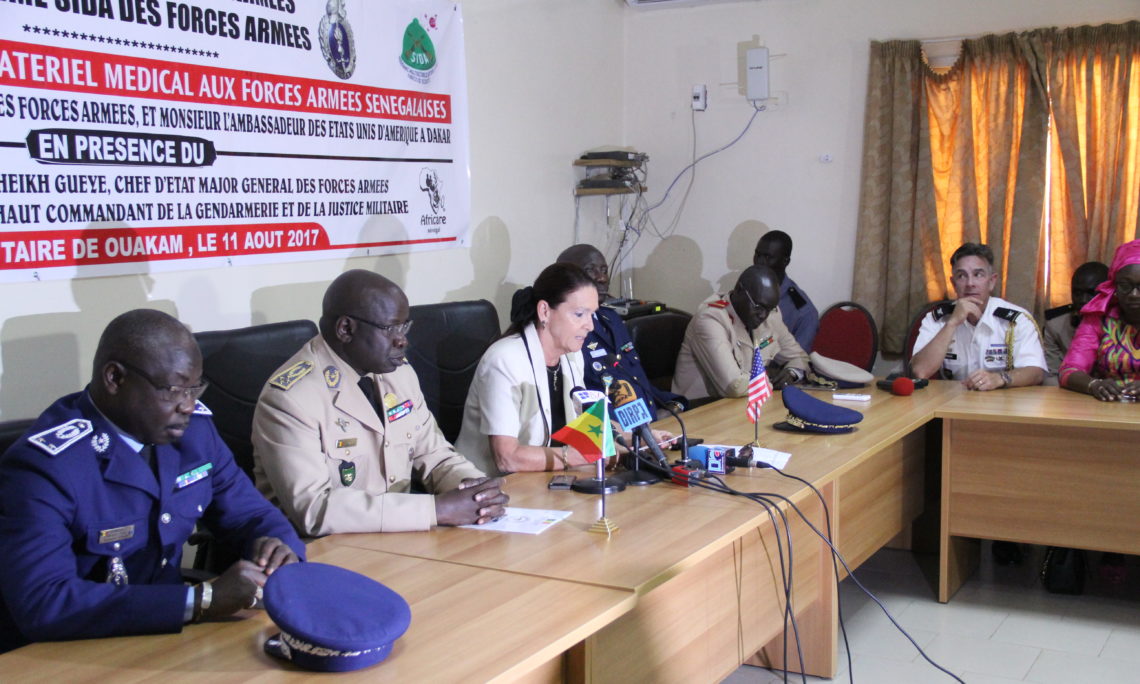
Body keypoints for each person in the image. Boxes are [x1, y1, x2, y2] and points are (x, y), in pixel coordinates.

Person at [0, 309, 305, 654]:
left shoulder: (195, 434)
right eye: (174, 390)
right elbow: (44, 601)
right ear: (115, 378)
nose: (188, 405)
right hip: (69, 650)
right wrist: (201, 599)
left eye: (195, 389)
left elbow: (251, 514)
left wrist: (278, 550)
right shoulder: (46, 467)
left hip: (167, 636)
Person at [251, 270, 508, 536]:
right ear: (346, 329)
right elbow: (314, 508)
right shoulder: (292, 398)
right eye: (390, 329)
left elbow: (434, 455)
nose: (402, 340)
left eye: (404, 326)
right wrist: (436, 510)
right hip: (321, 548)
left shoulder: (398, 372)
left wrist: (477, 491)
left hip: (396, 536)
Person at [557, 244, 688, 417]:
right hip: (614, 428)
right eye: (590, 270)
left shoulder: (611, 318)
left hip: (650, 420)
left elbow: (635, 380)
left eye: (604, 270)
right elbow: (580, 401)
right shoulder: (567, 330)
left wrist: (672, 403)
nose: (602, 277)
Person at [910, 242, 1047, 390]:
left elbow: (1036, 372)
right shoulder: (937, 319)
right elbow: (920, 371)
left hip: (1004, 401)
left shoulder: (1016, 320)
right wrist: (952, 323)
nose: (970, 283)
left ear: (992, 282)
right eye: (961, 276)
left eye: (978, 275)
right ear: (954, 284)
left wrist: (1000, 378)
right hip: (952, 400)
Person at [673, 265, 810, 401]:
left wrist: (791, 373)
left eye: (769, 309)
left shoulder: (771, 315)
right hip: (699, 409)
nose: (763, 315)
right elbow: (734, 385)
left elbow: (800, 358)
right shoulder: (710, 319)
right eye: (758, 307)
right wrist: (770, 380)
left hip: (743, 405)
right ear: (739, 290)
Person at [1059, 239, 1140, 401]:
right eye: (1125, 286)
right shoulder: (1099, 318)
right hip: (1109, 405)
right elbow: (1069, 370)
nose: (1134, 294)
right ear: (1114, 286)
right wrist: (1094, 384)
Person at [1042, 261, 1109, 384]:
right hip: (1073, 389)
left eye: (1091, 293)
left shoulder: (1126, 324)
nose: (1083, 300)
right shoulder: (1056, 326)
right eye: (1077, 293)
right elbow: (1051, 376)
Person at [753, 230, 819, 352]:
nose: (759, 263)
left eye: (767, 257)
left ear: (785, 261)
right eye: (757, 255)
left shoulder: (804, 313)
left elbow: (798, 359)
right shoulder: (747, 288)